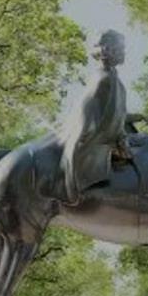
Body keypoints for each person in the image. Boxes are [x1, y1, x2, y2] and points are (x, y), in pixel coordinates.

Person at [59, 29, 131, 205]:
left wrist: (133, 118)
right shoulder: (102, 80)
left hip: (112, 134)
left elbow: (117, 114)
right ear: (107, 50)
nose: (123, 52)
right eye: (120, 48)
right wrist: (116, 138)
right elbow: (92, 114)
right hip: (97, 137)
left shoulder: (114, 79)